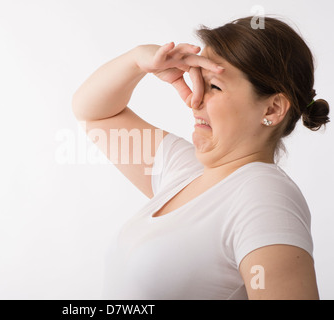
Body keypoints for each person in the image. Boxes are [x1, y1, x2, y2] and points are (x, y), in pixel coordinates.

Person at [72, 16, 329, 300]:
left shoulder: (264, 199)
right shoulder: (184, 169)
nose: (195, 99)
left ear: (272, 109)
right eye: (197, 81)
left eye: (214, 87)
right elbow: (94, 112)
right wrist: (138, 60)